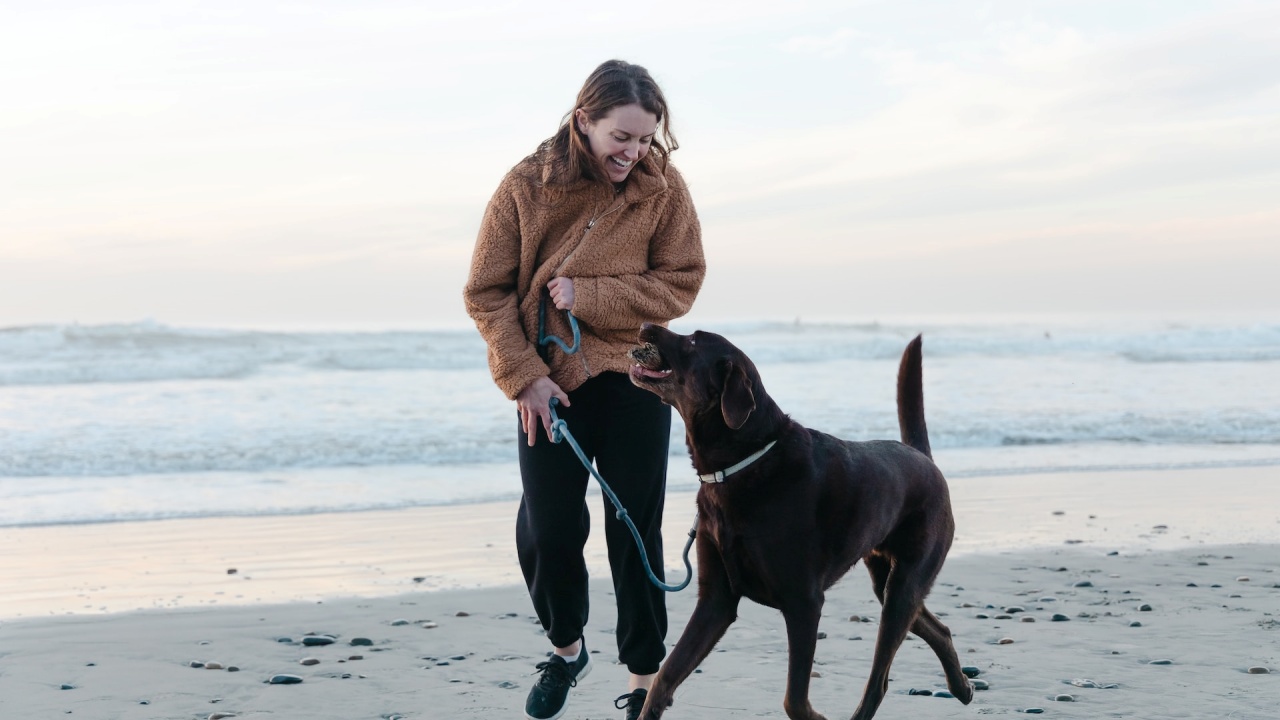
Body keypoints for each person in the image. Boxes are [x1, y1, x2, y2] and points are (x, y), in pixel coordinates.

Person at [463, 59, 705, 720]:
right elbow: (486, 294)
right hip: (549, 387)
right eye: (620, 136)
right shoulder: (526, 186)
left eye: (645, 138)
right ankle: (567, 651)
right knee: (547, 528)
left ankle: (641, 682)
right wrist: (526, 378)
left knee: (635, 530)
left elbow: (681, 282)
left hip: (636, 380)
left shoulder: (664, 190)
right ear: (584, 122)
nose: (633, 152)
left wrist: (590, 295)